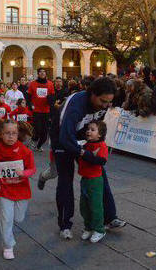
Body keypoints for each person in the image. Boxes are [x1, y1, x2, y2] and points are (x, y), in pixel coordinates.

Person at [58, 77, 125, 239]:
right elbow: (66, 138)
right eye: (103, 101)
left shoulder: (102, 105)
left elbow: (97, 127)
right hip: (62, 140)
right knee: (66, 180)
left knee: (99, 175)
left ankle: (109, 218)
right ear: (93, 94)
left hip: (84, 140)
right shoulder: (76, 106)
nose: (106, 106)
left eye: (109, 102)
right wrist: (84, 153)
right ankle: (65, 225)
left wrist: (96, 149)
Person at [0, 119, 35, 260]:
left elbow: (32, 168)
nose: (11, 136)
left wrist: (24, 173)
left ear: (18, 134)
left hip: (22, 190)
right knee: (6, 219)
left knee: (18, 218)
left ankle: (9, 229)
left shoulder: (25, 151)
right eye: (7, 133)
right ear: (1, 134)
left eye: (14, 133)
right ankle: (8, 245)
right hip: (5, 190)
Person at [79, 121, 108, 243]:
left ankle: (99, 230)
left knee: (96, 206)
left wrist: (86, 154)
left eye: (92, 129)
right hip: (84, 179)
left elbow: (101, 161)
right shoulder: (85, 144)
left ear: (100, 134)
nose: (88, 131)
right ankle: (88, 227)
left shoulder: (101, 146)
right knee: (84, 206)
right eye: (88, 129)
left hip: (95, 180)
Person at [27, 68, 55, 152]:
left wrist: (51, 100)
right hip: (36, 111)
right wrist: (30, 105)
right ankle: (33, 140)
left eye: (44, 72)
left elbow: (53, 96)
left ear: (46, 74)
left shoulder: (50, 84)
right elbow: (28, 97)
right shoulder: (33, 84)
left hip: (46, 111)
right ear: (38, 74)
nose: (42, 73)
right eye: (40, 72)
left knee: (45, 134)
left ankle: (38, 146)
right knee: (38, 130)